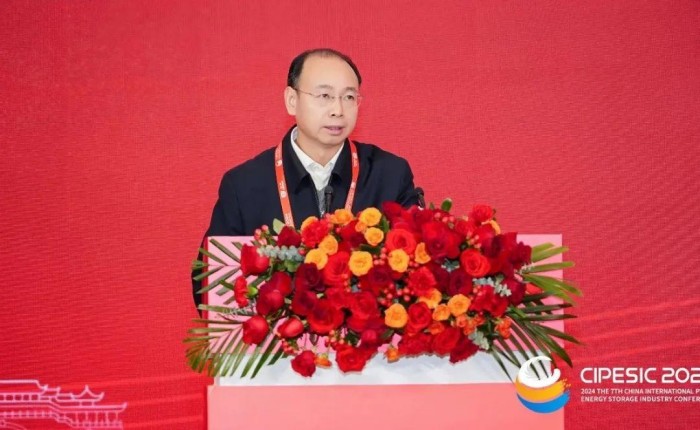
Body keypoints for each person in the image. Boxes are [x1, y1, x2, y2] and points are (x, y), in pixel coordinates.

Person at [193, 48, 420, 308]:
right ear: (292, 100)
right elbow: (209, 283)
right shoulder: (244, 185)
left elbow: (418, 271)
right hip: (278, 333)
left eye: (349, 97)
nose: (338, 110)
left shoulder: (390, 174)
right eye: (324, 96)